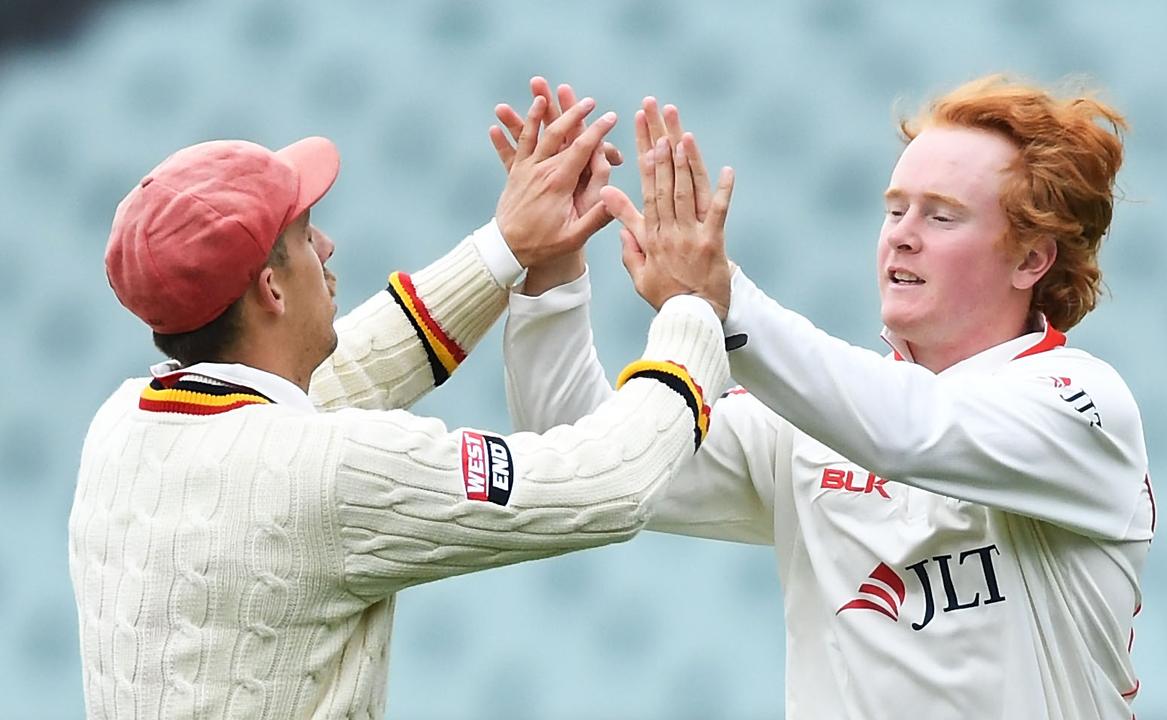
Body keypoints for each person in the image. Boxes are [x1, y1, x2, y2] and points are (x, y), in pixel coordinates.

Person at [502, 77, 1156, 718]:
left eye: (942, 214)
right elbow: (585, 455)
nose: (902, 233)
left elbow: (910, 433)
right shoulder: (813, 423)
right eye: (896, 207)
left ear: (1031, 261)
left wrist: (721, 299)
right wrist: (549, 274)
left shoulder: (1080, 406)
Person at [67, 89, 732, 719]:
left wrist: (510, 246)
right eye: (304, 235)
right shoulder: (331, 473)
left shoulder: (120, 428)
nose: (326, 246)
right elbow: (607, 484)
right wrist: (691, 311)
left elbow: (348, 370)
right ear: (271, 289)